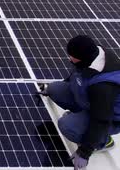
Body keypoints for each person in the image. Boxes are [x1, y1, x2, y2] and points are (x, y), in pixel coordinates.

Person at [39, 35, 120, 170]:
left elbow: (100, 120)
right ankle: (81, 118)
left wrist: (84, 152)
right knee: (54, 89)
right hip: (90, 100)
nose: (69, 58)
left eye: (72, 56)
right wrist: (60, 85)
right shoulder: (92, 55)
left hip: (108, 118)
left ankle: (104, 141)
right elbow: (76, 75)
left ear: (83, 58)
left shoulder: (104, 87)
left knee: (67, 125)